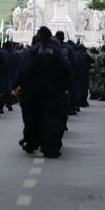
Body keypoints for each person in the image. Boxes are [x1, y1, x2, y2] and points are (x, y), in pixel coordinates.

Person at [14, 27, 72, 158]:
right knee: (52, 119)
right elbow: (67, 70)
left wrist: (19, 85)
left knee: (33, 118)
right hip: (53, 90)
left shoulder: (33, 51)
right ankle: (51, 146)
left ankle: (32, 142)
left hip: (34, 90)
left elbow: (25, 70)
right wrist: (64, 87)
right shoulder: (58, 52)